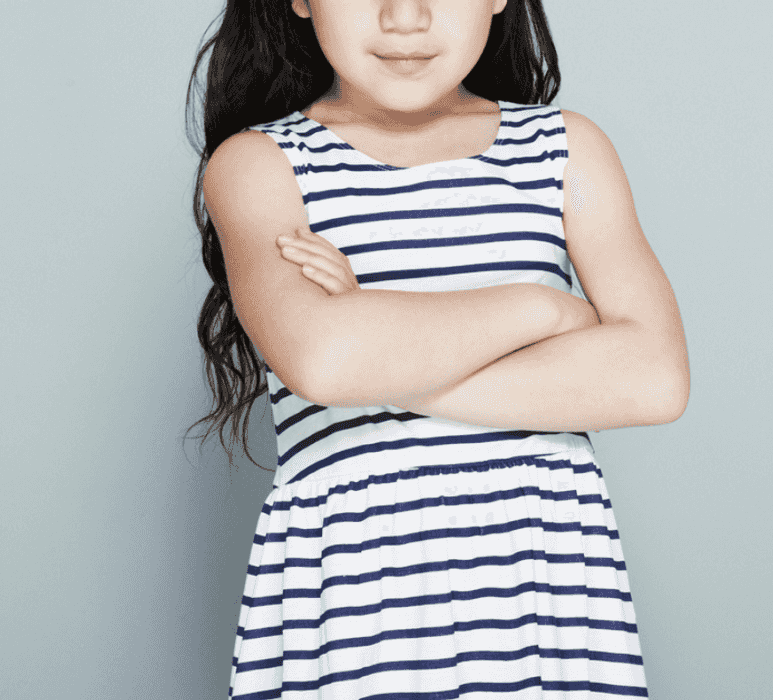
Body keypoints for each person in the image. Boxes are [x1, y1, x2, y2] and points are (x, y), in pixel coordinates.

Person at [184, 0, 689, 696]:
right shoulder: (260, 164)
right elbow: (323, 362)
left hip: (538, 570)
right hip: (361, 579)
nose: (404, 16)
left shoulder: (565, 149)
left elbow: (651, 380)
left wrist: (373, 340)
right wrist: (545, 310)